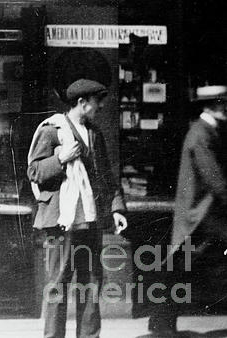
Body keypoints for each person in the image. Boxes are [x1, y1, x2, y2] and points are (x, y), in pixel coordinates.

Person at [27, 78, 128, 338]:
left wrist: (117, 208)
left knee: (91, 283)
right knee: (57, 284)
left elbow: (105, 174)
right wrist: (60, 158)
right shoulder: (52, 130)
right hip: (62, 221)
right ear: (82, 103)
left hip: (90, 219)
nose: (101, 107)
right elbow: (34, 172)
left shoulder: (94, 133)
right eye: (98, 102)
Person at [147, 84, 227, 336]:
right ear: (214, 106)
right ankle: (161, 324)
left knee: (179, 271)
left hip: (202, 217)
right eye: (223, 104)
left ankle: (161, 323)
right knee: (179, 271)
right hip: (200, 218)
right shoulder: (201, 135)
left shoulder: (206, 132)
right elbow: (215, 180)